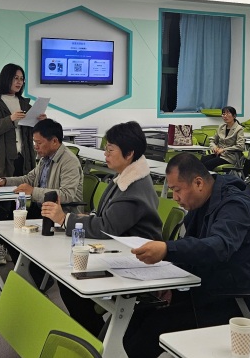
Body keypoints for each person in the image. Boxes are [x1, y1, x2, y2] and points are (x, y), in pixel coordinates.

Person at [93, 152, 250, 358]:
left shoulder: (234, 205)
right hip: (208, 287)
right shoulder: (204, 200)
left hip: (236, 300)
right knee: (138, 313)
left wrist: (167, 250)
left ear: (198, 183)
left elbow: (218, 247)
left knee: (154, 328)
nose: (174, 197)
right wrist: (172, 283)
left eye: (177, 190)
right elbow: (194, 246)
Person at [40, 121, 162, 336]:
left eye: (110, 150)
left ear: (129, 154)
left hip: (133, 260)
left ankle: (96, 338)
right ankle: (94, 335)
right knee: (68, 283)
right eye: (106, 148)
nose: (105, 154)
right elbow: (103, 216)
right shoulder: (123, 177)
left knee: (72, 285)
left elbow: (106, 227)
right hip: (116, 250)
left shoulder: (134, 189)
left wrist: (64, 219)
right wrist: (83, 218)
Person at [0, 118, 82, 208]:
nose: (35, 147)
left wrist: (33, 191)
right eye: (34, 142)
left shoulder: (69, 162)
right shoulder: (45, 158)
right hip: (42, 207)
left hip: (61, 212)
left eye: (39, 143)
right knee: (7, 210)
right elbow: (29, 179)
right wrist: (5, 181)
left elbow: (66, 195)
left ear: (54, 141)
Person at [0, 63, 43, 177]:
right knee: (4, 186)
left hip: (24, 157)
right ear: (6, 78)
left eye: (22, 79)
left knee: (24, 186)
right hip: (1, 159)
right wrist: (10, 119)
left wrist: (40, 121)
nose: (19, 82)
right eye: (16, 78)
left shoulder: (24, 103)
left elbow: (31, 130)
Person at [200, 106, 246, 172]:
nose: (225, 116)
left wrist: (224, 150)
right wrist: (214, 147)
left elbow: (240, 146)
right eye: (223, 114)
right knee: (201, 161)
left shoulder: (239, 129)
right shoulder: (221, 127)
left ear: (234, 116)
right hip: (218, 154)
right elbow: (213, 140)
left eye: (228, 113)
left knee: (207, 165)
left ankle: (211, 178)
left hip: (229, 157)